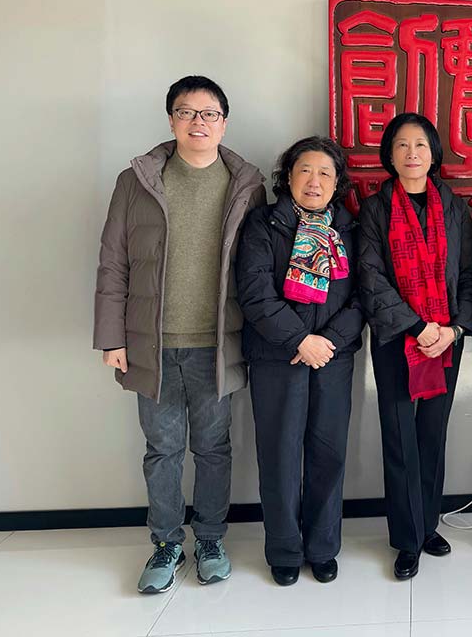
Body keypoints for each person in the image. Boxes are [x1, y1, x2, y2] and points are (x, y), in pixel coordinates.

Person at [93, 75, 266, 593]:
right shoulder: (136, 181)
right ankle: (166, 543)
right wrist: (112, 336)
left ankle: (210, 538)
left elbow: (259, 267)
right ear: (171, 120)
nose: (198, 122)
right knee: (162, 448)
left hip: (219, 342)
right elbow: (113, 261)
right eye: (187, 112)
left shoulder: (247, 184)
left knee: (214, 448)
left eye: (209, 113)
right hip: (152, 342)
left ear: (224, 123)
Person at [236, 137, 363, 586]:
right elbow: (254, 292)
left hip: (333, 357)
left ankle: (323, 548)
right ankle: (285, 550)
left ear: (337, 182)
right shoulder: (263, 224)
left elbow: (363, 295)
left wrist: (327, 342)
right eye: (305, 170)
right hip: (277, 356)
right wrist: (299, 339)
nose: (314, 181)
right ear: (288, 177)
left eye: (325, 173)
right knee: (280, 454)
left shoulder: (349, 227)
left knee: (329, 453)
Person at [358, 112, 472, 580]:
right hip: (397, 339)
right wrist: (414, 326)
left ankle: (428, 525)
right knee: (399, 436)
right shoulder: (375, 209)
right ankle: (406, 539)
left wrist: (454, 329)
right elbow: (370, 276)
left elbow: (468, 273)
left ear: (434, 153)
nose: (412, 153)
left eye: (421, 145)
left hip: (446, 339)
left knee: (432, 433)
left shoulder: (453, 207)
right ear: (389, 155)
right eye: (402, 145)